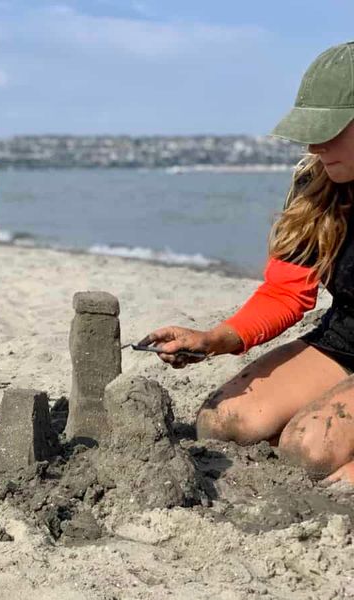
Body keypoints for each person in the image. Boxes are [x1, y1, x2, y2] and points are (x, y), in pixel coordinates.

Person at [140, 41, 354, 485]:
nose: (315, 144)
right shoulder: (316, 184)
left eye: (330, 129)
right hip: (346, 339)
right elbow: (286, 291)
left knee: (308, 447)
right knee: (222, 422)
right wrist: (214, 338)